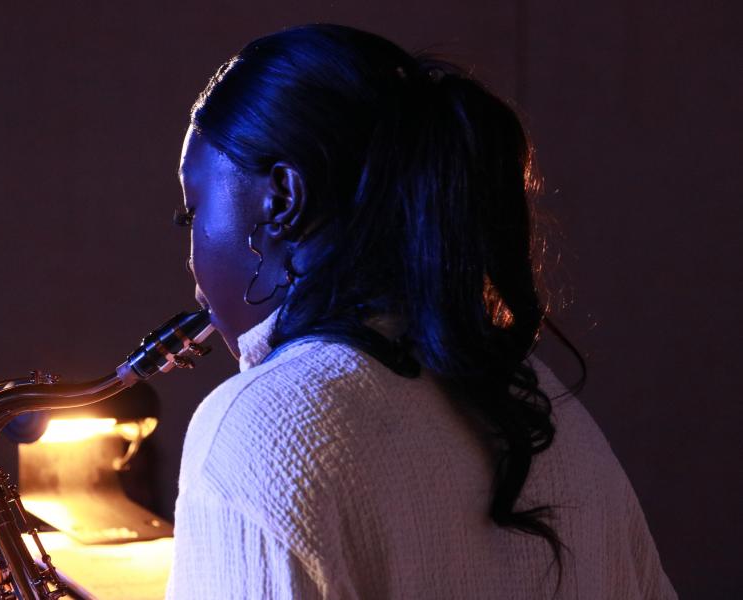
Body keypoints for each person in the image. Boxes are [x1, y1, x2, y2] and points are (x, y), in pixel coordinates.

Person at [165, 23, 676, 599]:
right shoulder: (542, 401)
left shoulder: (250, 427)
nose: (194, 275)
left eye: (192, 215)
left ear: (281, 199)